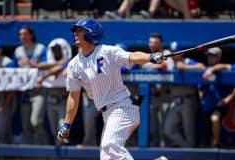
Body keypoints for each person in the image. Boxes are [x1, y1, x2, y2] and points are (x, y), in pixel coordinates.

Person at [57, 18, 166, 159]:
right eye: (75, 31)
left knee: (110, 145)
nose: (75, 34)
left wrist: (150, 56)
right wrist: (67, 123)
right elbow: (73, 96)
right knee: (107, 158)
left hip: (122, 107)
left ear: (91, 33)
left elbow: (132, 56)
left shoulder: (107, 51)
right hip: (106, 114)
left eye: (80, 31)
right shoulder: (74, 65)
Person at [9, 26, 49, 145]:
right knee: (26, 125)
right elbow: (12, 69)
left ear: (31, 35)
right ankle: (29, 153)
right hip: (24, 92)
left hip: (38, 90)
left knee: (35, 122)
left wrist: (31, 63)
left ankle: (46, 149)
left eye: (25, 34)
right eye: (20, 34)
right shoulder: (18, 51)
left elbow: (47, 65)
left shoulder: (40, 48)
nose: (23, 37)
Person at [163, 41, 205, 147]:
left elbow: (202, 67)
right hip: (174, 101)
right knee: (168, 130)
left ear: (181, 52)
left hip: (188, 100)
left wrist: (186, 67)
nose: (174, 54)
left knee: (189, 132)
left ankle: (190, 154)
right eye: (173, 52)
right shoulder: (169, 63)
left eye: (177, 52)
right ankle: (188, 149)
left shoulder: (187, 61)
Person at [200, 47, 235, 147]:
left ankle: (216, 143)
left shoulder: (224, 70)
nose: (210, 57)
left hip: (219, 106)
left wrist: (228, 99)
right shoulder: (204, 69)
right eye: (209, 55)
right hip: (206, 106)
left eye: (213, 55)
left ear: (219, 57)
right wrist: (200, 96)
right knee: (205, 135)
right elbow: (199, 87)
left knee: (215, 119)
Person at [37, 38, 72, 145]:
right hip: (51, 99)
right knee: (53, 130)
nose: (56, 52)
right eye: (54, 50)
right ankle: (56, 153)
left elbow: (60, 68)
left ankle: (62, 153)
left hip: (63, 99)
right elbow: (39, 66)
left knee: (62, 127)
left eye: (58, 50)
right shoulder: (48, 63)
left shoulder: (70, 63)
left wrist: (44, 77)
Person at [142, 32, 173, 147]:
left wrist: (152, 65)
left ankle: (164, 153)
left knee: (164, 129)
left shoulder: (166, 53)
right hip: (152, 97)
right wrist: (153, 65)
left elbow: (167, 67)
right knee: (152, 129)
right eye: (151, 42)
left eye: (155, 42)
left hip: (165, 96)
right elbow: (143, 67)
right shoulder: (147, 55)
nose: (152, 45)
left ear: (161, 44)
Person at [105, 0, 196, 19]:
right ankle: (120, 13)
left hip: (185, 15)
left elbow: (194, 11)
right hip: (166, 13)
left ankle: (150, 13)